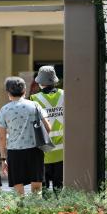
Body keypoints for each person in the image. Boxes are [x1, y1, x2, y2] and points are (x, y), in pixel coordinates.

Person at [0, 77, 51, 196]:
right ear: (24, 90)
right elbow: (48, 127)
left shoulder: (4, 110)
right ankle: (35, 211)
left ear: (8, 92)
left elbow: (2, 138)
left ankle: (20, 211)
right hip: (35, 150)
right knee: (37, 187)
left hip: (15, 152)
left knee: (18, 188)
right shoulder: (35, 105)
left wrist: (3, 158)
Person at [30, 66, 64, 196]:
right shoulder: (64, 95)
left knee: (44, 188)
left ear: (40, 82)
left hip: (43, 150)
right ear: (55, 80)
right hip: (62, 150)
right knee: (58, 188)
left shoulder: (34, 99)